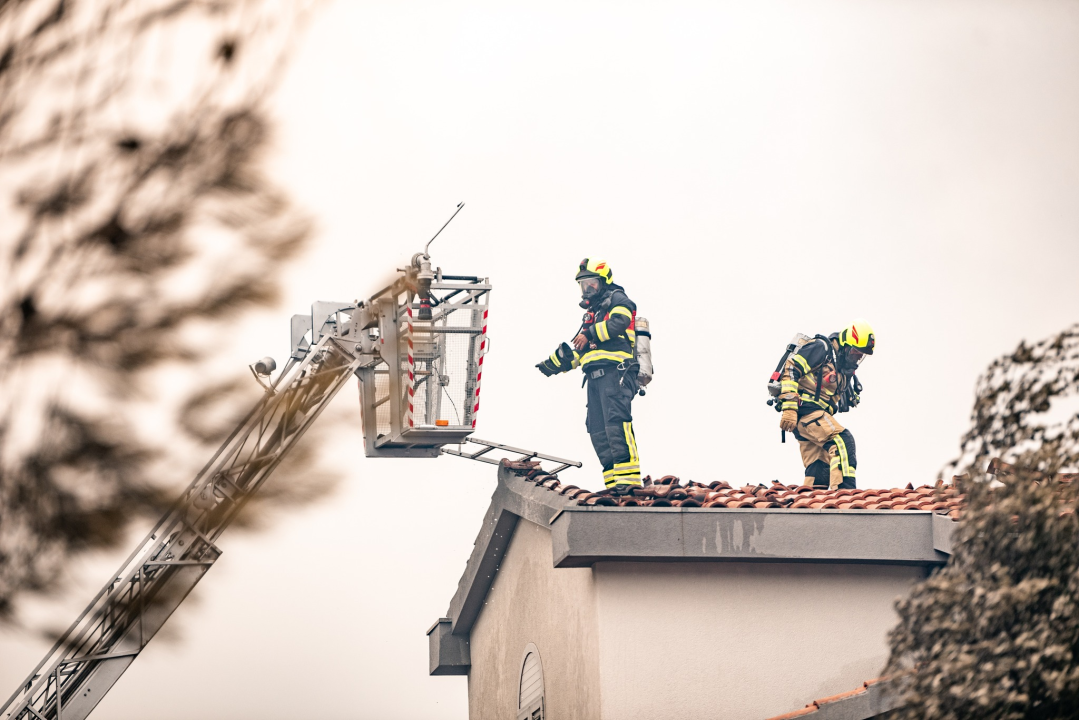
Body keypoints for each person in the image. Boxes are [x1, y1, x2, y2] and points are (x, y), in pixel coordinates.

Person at [536, 259, 641, 494]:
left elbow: (621, 321)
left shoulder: (617, 299)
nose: (587, 288)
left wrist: (591, 332)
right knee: (598, 430)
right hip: (594, 379)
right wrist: (553, 365)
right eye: (583, 284)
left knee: (616, 424)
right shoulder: (592, 314)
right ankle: (614, 485)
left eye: (591, 282)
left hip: (617, 374)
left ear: (604, 281)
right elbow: (578, 352)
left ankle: (630, 482)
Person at [777, 321, 875, 490]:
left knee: (820, 467)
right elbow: (791, 369)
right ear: (845, 345)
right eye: (854, 352)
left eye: (860, 355)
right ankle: (847, 495)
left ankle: (813, 504)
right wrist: (790, 407)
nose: (856, 358)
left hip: (812, 419)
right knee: (842, 441)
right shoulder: (821, 349)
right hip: (806, 411)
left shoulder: (843, 368)